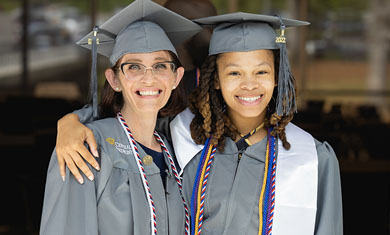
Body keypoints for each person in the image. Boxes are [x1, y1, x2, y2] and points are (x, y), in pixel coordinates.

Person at [52, 11, 343, 235]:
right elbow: (130, 117)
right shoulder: (182, 137)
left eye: (262, 72)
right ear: (213, 79)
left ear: (277, 77)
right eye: (234, 73)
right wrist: (73, 121)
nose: (249, 85)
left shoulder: (312, 159)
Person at [39, 0, 202, 234]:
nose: (149, 78)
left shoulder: (174, 150)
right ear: (114, 80)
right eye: (134, 67)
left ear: (176, 78)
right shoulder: (86, 148)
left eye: (160, 66)